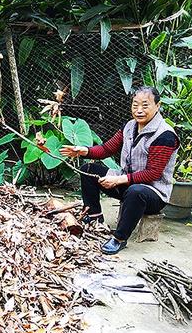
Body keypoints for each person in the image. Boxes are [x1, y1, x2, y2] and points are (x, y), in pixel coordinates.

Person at [60, 86, 179, 255]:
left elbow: (153, 174)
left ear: (157, 106)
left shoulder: (165, 135)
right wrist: (83, 150)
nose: (139, 110)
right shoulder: (130, 126)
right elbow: (107, 149)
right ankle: (94, 217)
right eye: (135, 105)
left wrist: (118, 180)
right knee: (88, 170)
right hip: (127, 182)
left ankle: (119, 238)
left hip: (153, 193)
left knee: (135, 191)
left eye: (145, 106)